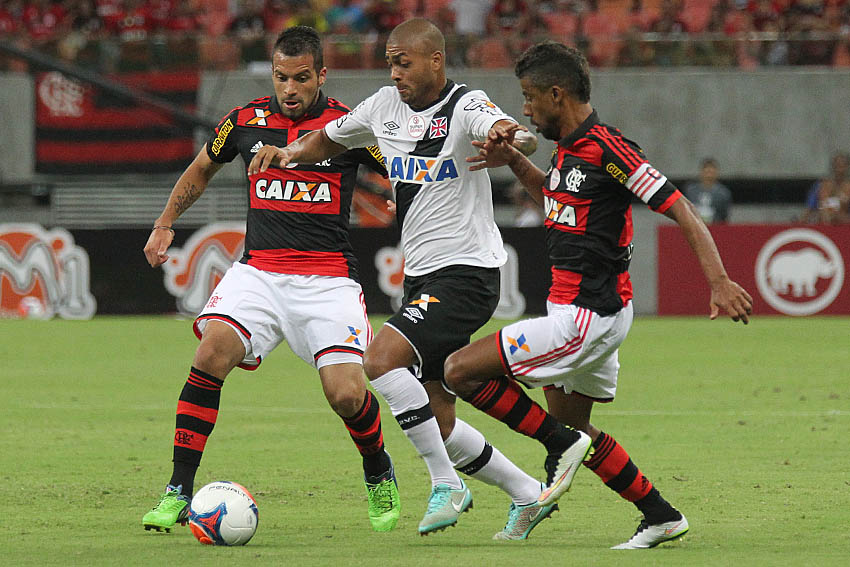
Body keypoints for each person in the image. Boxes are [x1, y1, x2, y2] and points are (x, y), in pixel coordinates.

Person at [248, 18, 592, 539]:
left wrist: (511, 139)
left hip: (467, 272)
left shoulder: (464, 105)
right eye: (390, 63)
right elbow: (328, 140)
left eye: (402, 63)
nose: (394, 72)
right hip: (422, 275)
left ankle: (447, 483)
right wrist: (289, 153)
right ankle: (528, 489)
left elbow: (515, 132)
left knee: (379, 360)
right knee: (437, 419)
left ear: (435, 60)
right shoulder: (382, 107)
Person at [442, 41, 754, 549]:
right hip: (584, 310)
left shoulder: (609, 149)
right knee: (573, 428)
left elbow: (680, 207)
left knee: (459, 371)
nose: (525, 109)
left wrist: (717, 280)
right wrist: (513, 160)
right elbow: (556, 197)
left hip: (586, 316)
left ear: (557, 95)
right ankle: (660, 516)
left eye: (529, 97)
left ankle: (552, 459)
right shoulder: (568, 149)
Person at [141, 26, 401, 535]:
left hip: (328, 279)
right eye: (282, 77)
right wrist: (165, 222)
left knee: (346, 395)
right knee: (210, 354)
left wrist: (402, 194)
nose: (290, 89)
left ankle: (377, 467)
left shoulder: (347, 127)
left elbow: (400, 167)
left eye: (301, 78)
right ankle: (177, 489)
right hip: (259, 272)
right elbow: (200, 169)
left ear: (321, 75)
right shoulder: (244, 121)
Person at [801, 151, 850, 224]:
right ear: (832, 167)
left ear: (847, 167)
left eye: (842, 166)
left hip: (844, 223)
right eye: (837, 165)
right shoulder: (821, 185)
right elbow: (809, 208)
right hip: (823, 220)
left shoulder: (848, 186)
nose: (839, 169)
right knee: (821, 214)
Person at [683, 157, 732, 224]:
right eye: (707, 172)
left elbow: (724, 215)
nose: (709, 175)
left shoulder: (723, 193)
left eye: (711, 172)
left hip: (715, 226)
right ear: (701, 172)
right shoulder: (691, 190)